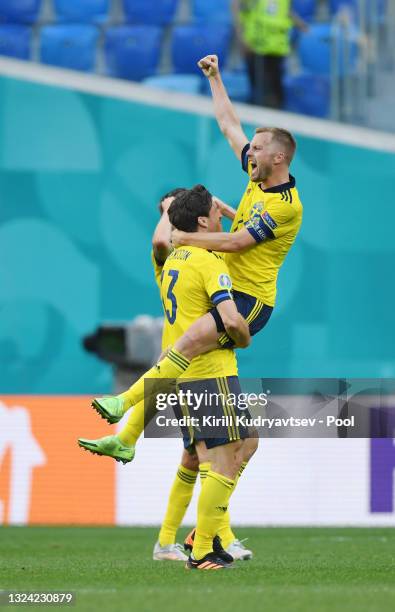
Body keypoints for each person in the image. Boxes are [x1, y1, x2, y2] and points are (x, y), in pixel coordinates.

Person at [80, 185, 255, 570]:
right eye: (215, 212)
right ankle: (208, 542)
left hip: (181, 374)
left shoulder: (172, 262)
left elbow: (168, 239)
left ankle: (186, 539)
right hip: (206, 371)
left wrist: (173, 214)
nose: (220, 215)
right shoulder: (204, 262)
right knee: (217, 459)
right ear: (200, 221)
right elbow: (229, 318)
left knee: (211, 454)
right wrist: (242, 334)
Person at [232, 0, 308, 108]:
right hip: (256, 48)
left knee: (276, 93)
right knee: (259, 94)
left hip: (277, 48)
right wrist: (241, 38)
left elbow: (285, 10)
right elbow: (236, 6)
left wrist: (301, 25)